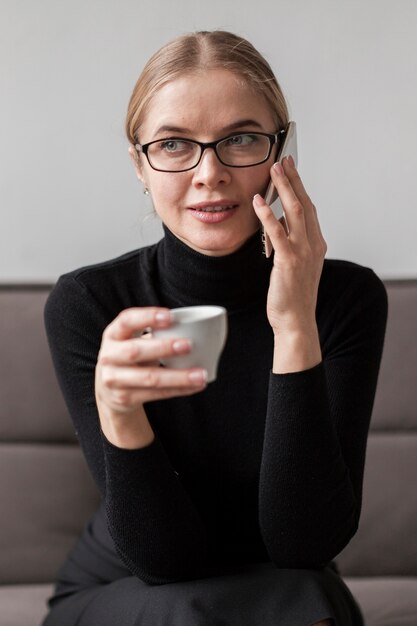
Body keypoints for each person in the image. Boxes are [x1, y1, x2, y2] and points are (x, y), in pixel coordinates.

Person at [42, 30, 387, 626]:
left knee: (310, 598)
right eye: (174, 144)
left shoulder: (346, 299)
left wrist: (294, 325)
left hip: (284, 585)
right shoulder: (89, 304)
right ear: (140, 167)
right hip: (128, 585)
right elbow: (165, 562)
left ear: (282, 153)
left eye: (242, 139)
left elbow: (304, 546)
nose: (210, 172)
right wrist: (120, 411)